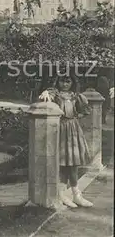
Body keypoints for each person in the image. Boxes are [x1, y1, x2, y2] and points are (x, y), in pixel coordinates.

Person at [39, 75, 93, 208]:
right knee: (63, 162)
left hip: (73, 129)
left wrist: (75, 117)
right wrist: (47, 92)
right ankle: (61, 194)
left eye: (68, 81)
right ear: (58, 82)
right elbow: (48, 96)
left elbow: (86, 110)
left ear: (72, 82)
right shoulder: (55, 94)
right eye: (62, 81)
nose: (65, 84)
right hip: (60, 128)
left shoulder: (76, 96)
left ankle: (76, 194)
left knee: (73, 161)